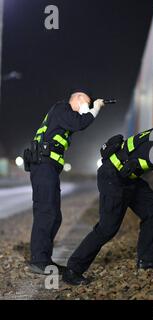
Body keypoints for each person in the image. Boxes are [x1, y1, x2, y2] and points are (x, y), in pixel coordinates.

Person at [62, 109, 153, 285]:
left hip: (127, 178)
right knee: (107, 228)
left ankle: (148, 260)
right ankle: (72, 269)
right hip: (113, 177)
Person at [26, 91, 105, 274]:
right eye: (85, 102)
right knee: (47, 212)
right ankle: (39, 260)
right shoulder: (61, 107)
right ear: (77, 98)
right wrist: (95, 109)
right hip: (43, 166)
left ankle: (44, 258)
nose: (85, 107)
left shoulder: (63, 115)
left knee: (53, 215)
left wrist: (89, 109)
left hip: (47, 168)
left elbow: (77, 123)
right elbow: (81, 123)